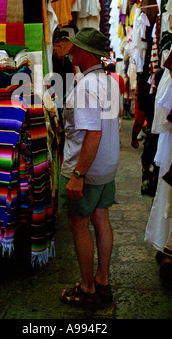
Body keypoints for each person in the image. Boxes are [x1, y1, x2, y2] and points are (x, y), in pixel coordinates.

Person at [58, 27, 120, 309]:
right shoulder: (109, 81)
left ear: (87, 53)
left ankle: (88, 288)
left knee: (79, 223)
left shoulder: (85, 86)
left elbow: (92, 133)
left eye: (76, 46)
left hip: (87, 168)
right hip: (107, 165)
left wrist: (77, 176)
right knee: (101, 219)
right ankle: (103, 281)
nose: (71, 50)